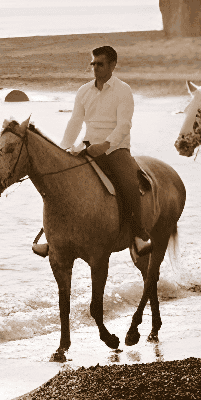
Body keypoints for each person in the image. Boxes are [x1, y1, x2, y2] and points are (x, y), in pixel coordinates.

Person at [61, 45, 150, 252]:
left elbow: (124, 125)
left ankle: (138, 233)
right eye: (93, 63)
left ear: (112, 65)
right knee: (61, 180)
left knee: (129, 181)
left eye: (100, 64)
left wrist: (106, 145)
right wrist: (64, 148)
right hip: (87, 145)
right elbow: (75, 121)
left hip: (115, 148)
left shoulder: (123, 90)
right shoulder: (83, 91)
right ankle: (54, 234)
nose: (95, 68)